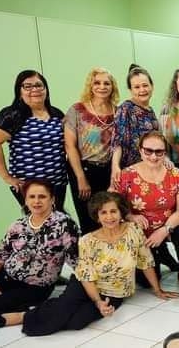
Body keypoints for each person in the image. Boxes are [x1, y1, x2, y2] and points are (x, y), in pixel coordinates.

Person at [0, 191, 179, 335]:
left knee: (77, 323)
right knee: (63, 308)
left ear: (121, 212)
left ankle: (30, 312)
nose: (109, 217)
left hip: (114, 292)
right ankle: (18, 317)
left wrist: (157, 290)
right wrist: (98, 302)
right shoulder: (88, 241)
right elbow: (86, 275)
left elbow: (146, 261)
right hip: (85, 284)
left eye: (113, 211)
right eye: (103, 213)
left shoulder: (133, 231)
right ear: (97, 216)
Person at [116, 131, 179, 295]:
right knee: (146, 282)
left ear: (165, 152)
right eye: (148, 151)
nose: (153, 156)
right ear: (140, 150)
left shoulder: (175, 174)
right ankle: (161, 255)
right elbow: (116, 205)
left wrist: (165, 229)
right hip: (140, 232)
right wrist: (131, 216)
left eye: (159, 152)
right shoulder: (127, 174)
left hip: (168, 226)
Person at [0, 179, 78, 315]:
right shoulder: (18, 225)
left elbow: (77, 262)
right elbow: (1, 255)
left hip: (34, 288)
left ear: (52, 199)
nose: (36, 201)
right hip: (6, 276)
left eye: (42, 196)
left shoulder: (65, 225)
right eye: (32, 197)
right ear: (26, 200)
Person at [0, 70, 67, 210]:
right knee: (38, 223)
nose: (34, 90)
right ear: (19, 91)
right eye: (27, 86)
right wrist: (6, 177)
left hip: (57, 183)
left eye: (39, 85)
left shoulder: (56, 114)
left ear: (46, 89)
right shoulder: (12, 115)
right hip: (29, 187)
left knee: (58, 220)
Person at [65, 67, 119, 234]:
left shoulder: (118, 111)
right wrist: (81, 177)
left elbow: (119, 144)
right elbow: (69, 145)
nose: (102, 87)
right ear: (90, 85)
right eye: (97, 83)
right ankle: (91, 258)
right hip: (83, 169)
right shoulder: (77, 110)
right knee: (88, 219)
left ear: (112, 87)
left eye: (106, 83)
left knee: (109, 218)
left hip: (109, 170)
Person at [111, 64, 159, 186]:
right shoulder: (125, 108)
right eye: (136, 87)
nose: (142, 90)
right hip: (130, 171)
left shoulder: (151, 111)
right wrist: (115, 166)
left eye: (145, 85)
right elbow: (117, 141)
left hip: (150, 169)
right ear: (131, 90)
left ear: (152, 86)